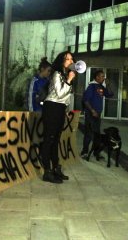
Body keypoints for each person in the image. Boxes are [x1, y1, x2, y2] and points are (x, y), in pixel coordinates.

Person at [40, 51, 76, 183]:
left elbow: (66, 97)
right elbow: (60, 93)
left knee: (55, 140)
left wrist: (66, 109)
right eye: (68, 59)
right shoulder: (56, 74)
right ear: (62, 61)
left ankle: (56, 168)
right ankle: (47, 172)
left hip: (60, 109)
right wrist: (69, 80)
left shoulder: (66, 75)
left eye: (72, 59)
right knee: (49, 139)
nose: (71, 62)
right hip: (52, 108)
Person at [81, 70, 114, 158]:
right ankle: (84, 152)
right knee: (89, 133)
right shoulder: (91, 86)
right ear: (97, 77)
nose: (104, 78)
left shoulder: (101, 86)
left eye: (104, 76)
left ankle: (96, 152)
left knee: (97, 134)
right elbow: (86, 100)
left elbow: (110, 94)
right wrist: (92, 111)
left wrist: (108, 85)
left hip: (97, 114)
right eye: (102, 76)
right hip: (91, 114)